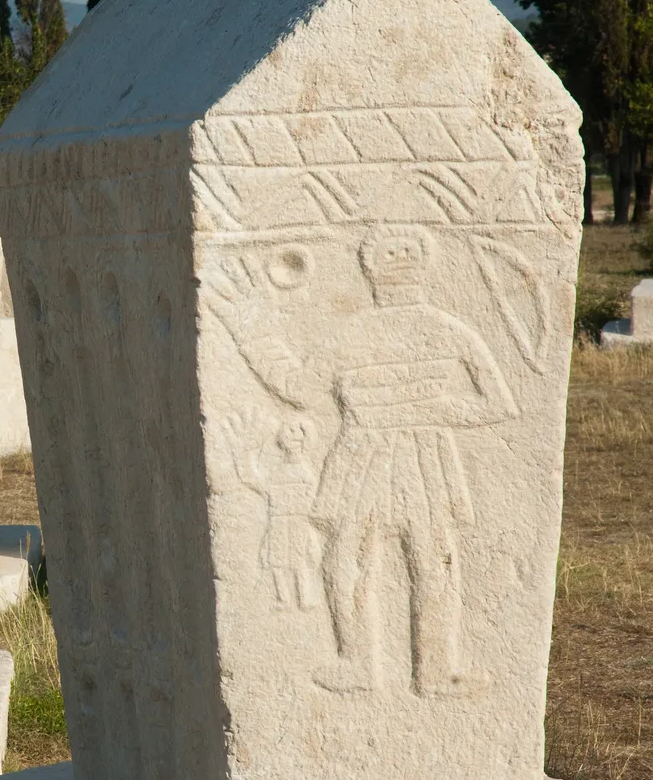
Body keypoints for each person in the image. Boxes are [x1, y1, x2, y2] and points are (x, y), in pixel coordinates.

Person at [207, 227, 518, 697]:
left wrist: (431, 410)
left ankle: (432, 670)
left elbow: (500, 403)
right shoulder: (368, 332)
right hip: (366, 451)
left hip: (414, 454)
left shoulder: (440, 330)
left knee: (429, 558)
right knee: (349, 556)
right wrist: (252, 329)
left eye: (404, 255)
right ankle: (358, 664)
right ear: (372, 270)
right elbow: (302, 390)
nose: (396, 263)